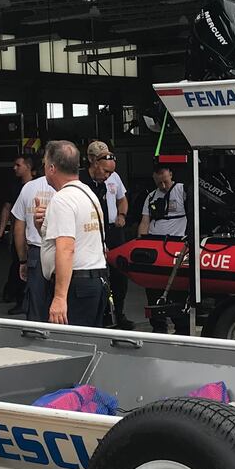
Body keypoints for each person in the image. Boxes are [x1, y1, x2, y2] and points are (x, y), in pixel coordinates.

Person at [41, 139, 110, 328]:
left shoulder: (62, 200)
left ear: (52, 168)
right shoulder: (87, 193)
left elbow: (66, 248)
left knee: (71, 348)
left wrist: (60, 298)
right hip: (95, 282)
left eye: (45, 164)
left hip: (75, 287)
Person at [85, 141, 133, 330]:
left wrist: (122, 214)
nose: (108, 176)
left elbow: (122, 199)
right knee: (98, 275)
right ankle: (101, 315)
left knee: (119, 274)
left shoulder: (112, 178)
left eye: (111, 172)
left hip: (114, 231)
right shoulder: (83, 181)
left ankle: (119, 313)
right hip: (93, 233)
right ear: (93, 161)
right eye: (105, 171)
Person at [11, 155, 56, 322]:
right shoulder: (69, 189)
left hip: (36, 255)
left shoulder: (28, 188)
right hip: (64, 252)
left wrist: (22, 260)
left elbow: (18, 228)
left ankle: (37, 342)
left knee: (36, 307)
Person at [0, 152, 36, 313]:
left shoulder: (38, 186)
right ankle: (16, 296)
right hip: (19, 234)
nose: (15, 168)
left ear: (28, 167)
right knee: (18, 264)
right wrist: (1, 230)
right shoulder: (15, 187)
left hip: (34, 235)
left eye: (18, 165)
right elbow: (7, 207)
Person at [139, 165, 187, 239]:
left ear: (170, 175)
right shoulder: (151, 196)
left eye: (165, 182)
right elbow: (145, 222)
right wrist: (140, 240)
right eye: (159, 183)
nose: (163, 186)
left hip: (176, 238)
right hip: (154, 237)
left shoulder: (182, 190)